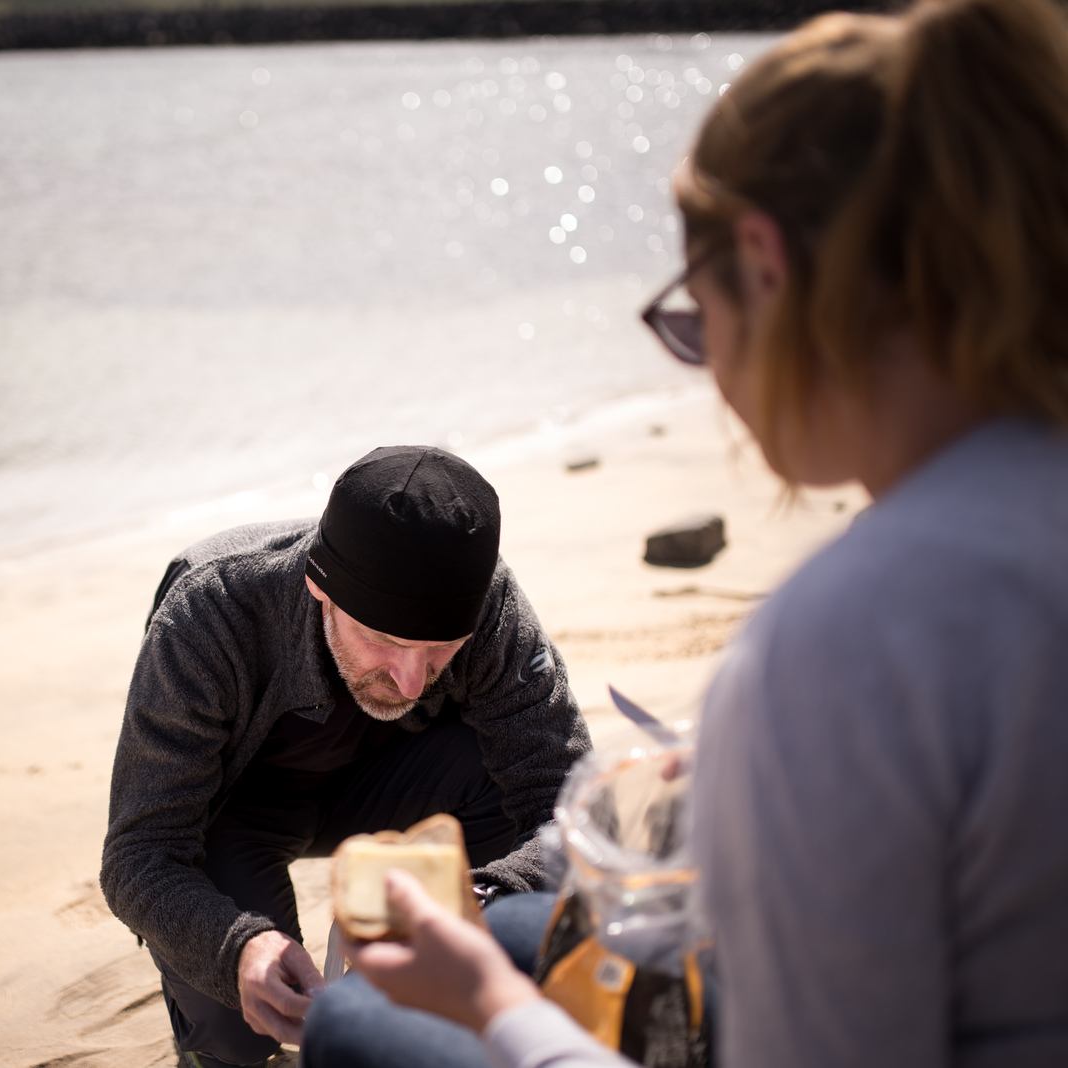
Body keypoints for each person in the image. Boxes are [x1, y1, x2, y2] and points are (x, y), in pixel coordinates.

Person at [301, 0, 1068, 1066]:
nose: (705, 374)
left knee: (357, 1017)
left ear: (764, 266)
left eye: (691, 321)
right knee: (535, 928)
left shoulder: (850, 638)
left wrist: (491, 1008)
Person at [99, 445, 593, 1067]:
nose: (412, 682)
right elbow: (138, 854)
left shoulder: (488, 603)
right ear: (318, 587)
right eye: (383, 642)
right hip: (238, 809)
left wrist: (481, 901)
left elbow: (573, 810)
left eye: (441, 651)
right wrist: (238, 953)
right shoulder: (210, 611)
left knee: (509, 832)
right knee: (240, 1029)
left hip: (404, 784)